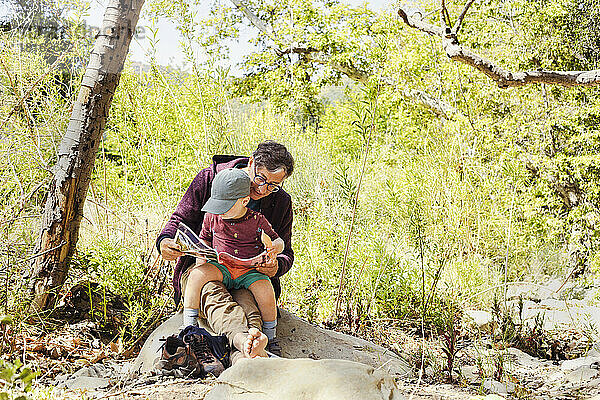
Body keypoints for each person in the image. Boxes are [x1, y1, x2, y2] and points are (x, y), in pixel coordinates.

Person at [157, 140, 294, 361]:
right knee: (214, 295)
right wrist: (164, 242)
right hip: (207, 270)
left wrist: (275, 265)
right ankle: (240, 344)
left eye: (273, 185)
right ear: (251, 163)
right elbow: (179, 219)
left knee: (249, 304)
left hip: (248, 274)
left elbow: (285, 250)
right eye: (260, 178)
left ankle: (255, 342)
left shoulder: (280, 202)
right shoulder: (210, 179)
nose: (263, 189)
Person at [183, 168, 285, 356]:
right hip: (222, 266)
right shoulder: (213, 216)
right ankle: (188, 326)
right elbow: (204, 238)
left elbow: (278, 240)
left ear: (244, 201)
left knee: (266, 290)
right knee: (195, 275)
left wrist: (274, 249)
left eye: (224, 207)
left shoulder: (257, 220)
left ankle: (270, 337)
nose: (219, 211)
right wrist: (201, 256)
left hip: (249, 270)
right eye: (216, 205)